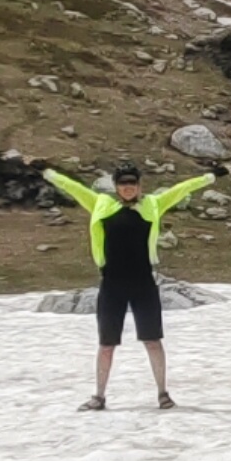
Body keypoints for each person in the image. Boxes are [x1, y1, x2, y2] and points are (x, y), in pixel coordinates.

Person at [42, 156, 215, 410]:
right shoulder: (101, 204)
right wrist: (47, 172)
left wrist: (210, 177)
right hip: (112, 285)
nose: (128, 187)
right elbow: (73, 187)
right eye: (123, 183)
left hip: (143, 284)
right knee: (106, 345)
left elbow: (181, 189)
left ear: (139, 185)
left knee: (153, 341)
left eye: (132, 183)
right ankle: (99, 397)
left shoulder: (153, 205)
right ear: (115, 186)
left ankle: (163, 394)